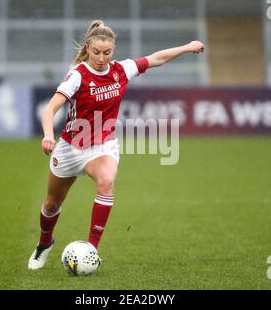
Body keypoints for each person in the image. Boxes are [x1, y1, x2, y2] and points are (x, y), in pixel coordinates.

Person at [28, 20, 204, 270]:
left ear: (114, 50)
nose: (101, 58)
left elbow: (156, 59)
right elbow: (51, 108)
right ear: (88, 48)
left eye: (107, 53)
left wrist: (187, 47)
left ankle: (91, 250)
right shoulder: (78, 75)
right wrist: (48, 134)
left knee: (106, 181)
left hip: (102, 146)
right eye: (96, 52)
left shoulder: (122, 70)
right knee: (51, 204)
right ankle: (44, 243)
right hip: (69, 147)